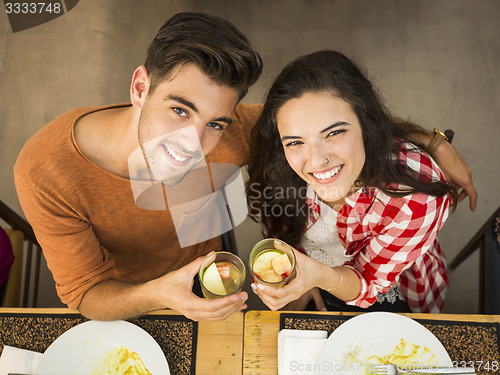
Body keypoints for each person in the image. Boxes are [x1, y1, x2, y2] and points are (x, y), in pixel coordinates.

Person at [14, 13, 475, 321]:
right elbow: (84, 294)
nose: (194, 144)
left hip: (216, 277)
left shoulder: (238, 128)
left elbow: (324, 119)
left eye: (215, 121)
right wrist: (157, 294)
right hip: (125, 297)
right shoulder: (46, 170)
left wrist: (428, 138)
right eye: (179, 110)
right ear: (140, 86)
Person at [246, 50, 460, 313]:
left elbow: (368, 283)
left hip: (393, 286)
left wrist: (318, 276)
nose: (315, 161)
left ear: (366, 123)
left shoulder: (414, 195)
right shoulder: (280, 161)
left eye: (334, 133)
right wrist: (303, 278)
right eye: (295, 142)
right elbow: (282, 233)